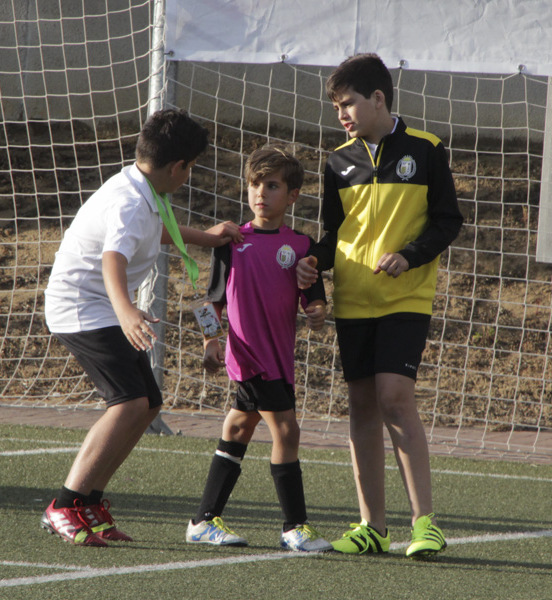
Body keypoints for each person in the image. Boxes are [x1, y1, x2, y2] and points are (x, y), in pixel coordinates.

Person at [41, 108, 242, 547]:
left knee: (149, 402)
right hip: (83, 307)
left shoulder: (144, 189)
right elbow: (113, 257)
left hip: (100, 305)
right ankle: (64, 504)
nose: (188, 177)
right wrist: (127, 311)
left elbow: (157, 231)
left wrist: (207, 237)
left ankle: (90, 502)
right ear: (178, 167)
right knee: (129, 402)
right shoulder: (132, 202)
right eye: (191, 169)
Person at [296, 53, 464, 558]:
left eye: (348, 104)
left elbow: (447, 221)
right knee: (363, 405)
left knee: (395, 397)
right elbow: (333, 236)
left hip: (405, 297)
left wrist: (409, 257)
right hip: (352, 300)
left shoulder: (426, 149)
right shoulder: (337, 162)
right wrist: (312, 264)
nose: (342, 114)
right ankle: (372, 526)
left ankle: (425, 523)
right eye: (336, 108)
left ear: (377, 98)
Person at [185, 145, 333, 552]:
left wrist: (318, 312)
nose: (261, 193)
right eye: (254, 185)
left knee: (238, 427)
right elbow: (208, 301)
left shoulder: (301, 246)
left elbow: (314, 300)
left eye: (272, 185)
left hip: (279, 356)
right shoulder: (231, 242)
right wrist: (211, 340)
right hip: (249, 356)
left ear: (293, 195)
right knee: (286, 429)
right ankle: (294, 527)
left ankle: (203, 519)